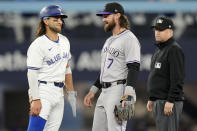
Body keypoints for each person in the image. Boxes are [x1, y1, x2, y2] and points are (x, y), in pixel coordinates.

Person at [84, 2, 141, 131]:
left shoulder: (129, 38)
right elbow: (105, 71)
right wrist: (93, 90)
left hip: (118, 90)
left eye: (106, 16)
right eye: (103, 16)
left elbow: (134, 67)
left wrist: (128, 94)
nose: (103, 19)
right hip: (103, 92)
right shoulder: (109, 40)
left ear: (117, 15)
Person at [26, 5, 77, 131]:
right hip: (43, 91)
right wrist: (36, 98)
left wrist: (71, 93)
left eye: (61, 18)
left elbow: (67, 68)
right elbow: (32, 73)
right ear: (45, 21)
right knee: (35, 129)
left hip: (59, 94)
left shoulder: (65, 41)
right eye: (56, 19)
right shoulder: (38, 44)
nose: (60, 21)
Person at [147, 16, 185, 131]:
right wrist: (152, 98)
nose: (157, 33)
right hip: (159, 101)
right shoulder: (159, 50)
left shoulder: (174, 49)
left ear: (170, 32)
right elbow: (157, 77)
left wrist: (170, 100)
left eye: (161, 30)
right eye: (156, 30)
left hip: (168, 102)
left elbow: (177, 78)